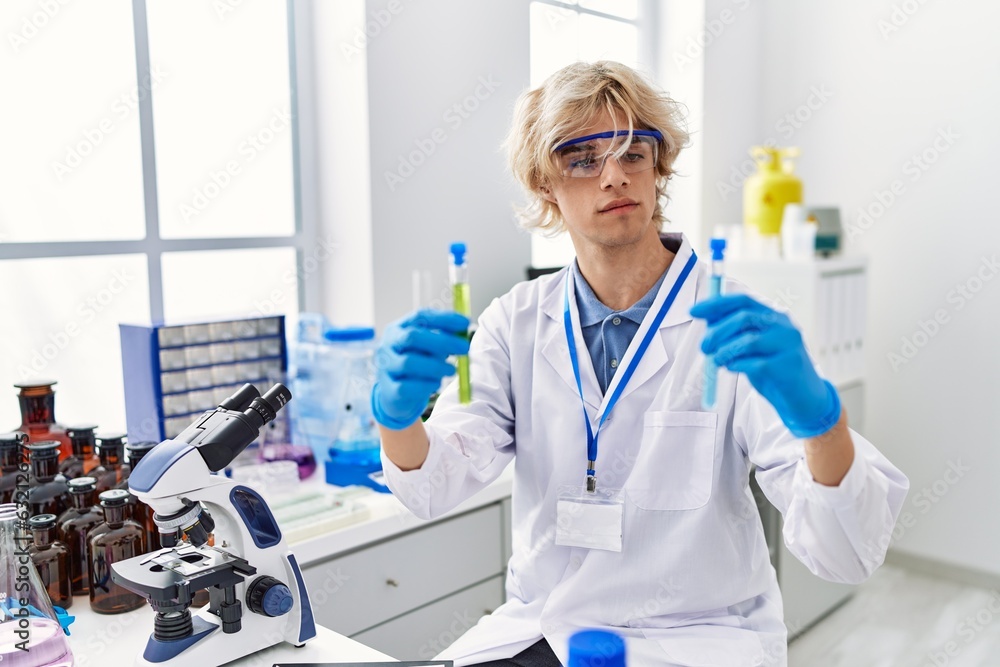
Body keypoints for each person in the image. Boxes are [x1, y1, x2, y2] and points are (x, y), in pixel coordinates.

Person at [370, 61, 908, 667]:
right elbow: (436, 486)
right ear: (545, 184)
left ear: (660, 166)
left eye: (633, 152)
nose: (614, 177)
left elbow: (845, 552)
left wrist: (822, 420)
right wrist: (395, 419)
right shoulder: (513, 322)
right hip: (546, 627)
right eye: (582, 158)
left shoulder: (734, 323)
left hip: (697, 638)